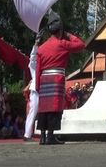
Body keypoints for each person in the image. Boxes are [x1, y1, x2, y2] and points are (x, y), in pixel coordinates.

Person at [36, 11, 85, 145]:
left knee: (43, 108)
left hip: (44, 80)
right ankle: (51, 136)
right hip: (56, 78)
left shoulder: (41, 48)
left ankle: (42, 137)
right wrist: (68, 34)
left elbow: (37, 69)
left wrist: (37, 86)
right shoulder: (62, 43)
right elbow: (81, 44)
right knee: (55, 108)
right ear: (60, 29)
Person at [23, 35, 41, 141]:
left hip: (45, 90)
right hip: (36, 91)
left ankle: (45, 133)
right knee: (33, 112)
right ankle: (27, 134)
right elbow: (32, 58)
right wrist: (36, 44)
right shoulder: (35, 66)